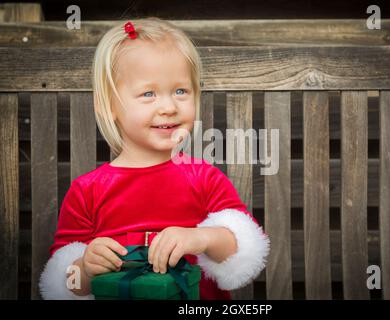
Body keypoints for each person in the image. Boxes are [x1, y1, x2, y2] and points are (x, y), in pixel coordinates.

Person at [39, 17, 270, 300]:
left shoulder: (203, 178)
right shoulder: (87, 191)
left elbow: (242, 249)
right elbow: (65, 284)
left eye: (181, 91)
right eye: (148, 93)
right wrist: (86, 268)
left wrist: (201, 238)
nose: (169, 107)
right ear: (108, 105)